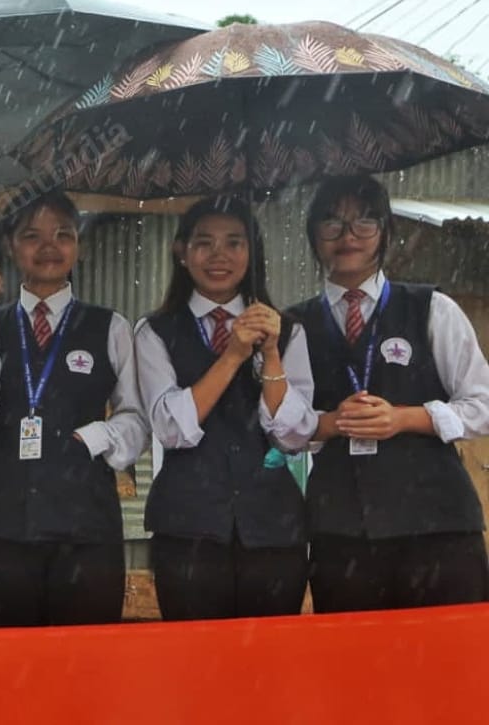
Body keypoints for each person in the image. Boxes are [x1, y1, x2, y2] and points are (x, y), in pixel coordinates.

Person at [289, 176, 489, 612]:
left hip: (437, 525)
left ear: (384, 230)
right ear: (313, 235)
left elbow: (483, 403)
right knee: (355, 668)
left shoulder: (432, 308)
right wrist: (331, 423)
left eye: (363, 221)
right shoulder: (294, 325)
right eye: (332, 223)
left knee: (449, 665)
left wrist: (407, 418)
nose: (347, 236)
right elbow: (286, 428)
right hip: (342, 530)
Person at [0, 191, 148, 626]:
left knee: (84, 668)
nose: (49, 247)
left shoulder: (110, 325)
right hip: (3, 525)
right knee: (6, 665)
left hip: (86, 529)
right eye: (32, 235)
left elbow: (136, 416)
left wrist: (98, 436)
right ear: (9, 246)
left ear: (78, 245)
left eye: (63, 234)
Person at [135, 195, 316, 620]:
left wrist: (270, 353)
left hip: (273, 529)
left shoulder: (287, 331)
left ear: (252, 253)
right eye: (204, 243)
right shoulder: (154, 331)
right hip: (188, 528)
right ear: (182, 253)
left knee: (268, 665)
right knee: (195, 665)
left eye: (235, 242)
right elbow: (170, 428)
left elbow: (293, 435)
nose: (219, 255)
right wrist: (233, 354)